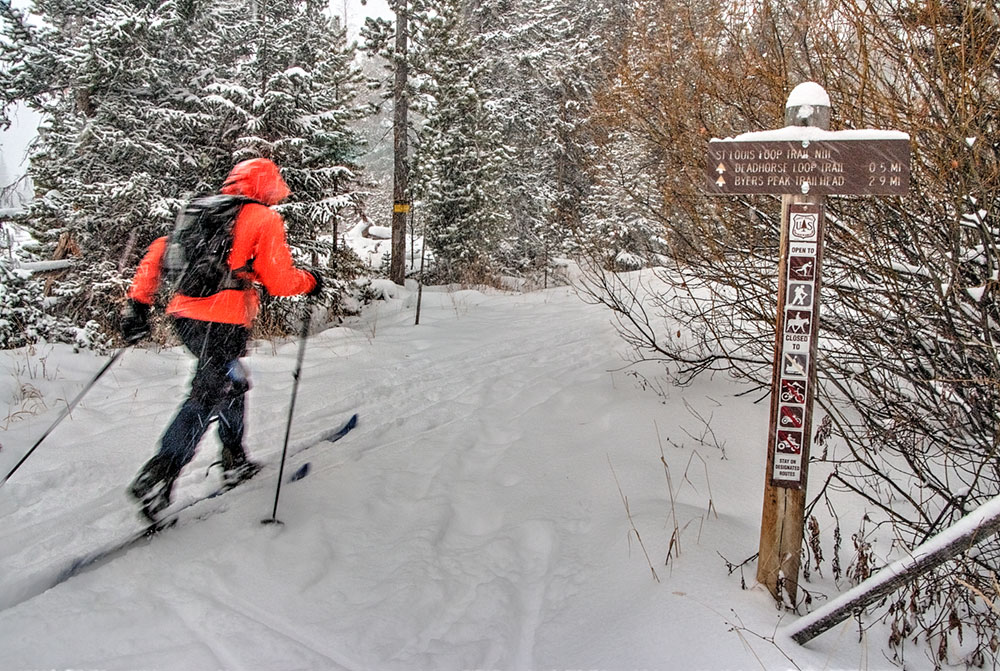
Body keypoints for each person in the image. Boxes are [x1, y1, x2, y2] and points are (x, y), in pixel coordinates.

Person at [120, 157, 321, 521]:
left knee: (231, 381)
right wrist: (310, 281)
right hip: (224, 320)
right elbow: (279, 280)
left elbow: (156, 255)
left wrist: (137, 305)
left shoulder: (201, 212)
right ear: (267, 185)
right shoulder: (263, 217)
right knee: (208, 393)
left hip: (185, 317)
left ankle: (235, 460)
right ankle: (159, 475)